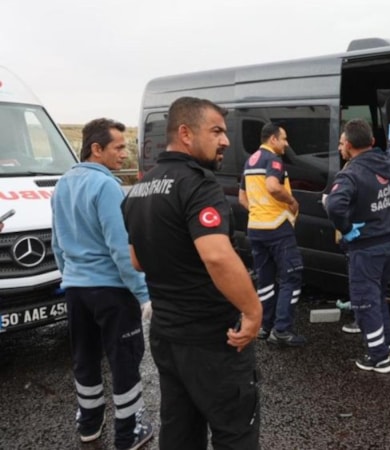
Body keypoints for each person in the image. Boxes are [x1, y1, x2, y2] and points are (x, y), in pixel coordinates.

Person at [122, 97, 262, 449]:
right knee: (235, 432)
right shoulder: (199, 185)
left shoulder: (139, 189)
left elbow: (137, 260)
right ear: (185, 133)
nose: (225, 141)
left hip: (167, 335)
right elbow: (216, 256)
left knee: (180, 430)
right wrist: (252, 310)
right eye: (216, 131)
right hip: (211, 338)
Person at [50, 118, 154, 449]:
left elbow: (57, 243)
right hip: (111, 291)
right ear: (96, 149)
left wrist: (70, 275)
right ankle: (129, 432)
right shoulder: (107, 186)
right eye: (119, 147)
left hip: (77, 290)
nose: (125, 153)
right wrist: (143, 294)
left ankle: (89, 423)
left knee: (85, 356)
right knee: (124, 358)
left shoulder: (63, 183)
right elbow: (121, 248)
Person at [324, 120, 390, 373]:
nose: (339, 148)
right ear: (371, 142)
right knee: (377, 296)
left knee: (365, 303)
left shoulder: (351, 174)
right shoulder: (387, 163)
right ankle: (388, 344)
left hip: (366, 248)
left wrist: (346, 229)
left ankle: (378, 357)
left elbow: (335, 205)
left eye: (340, 143)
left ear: (348, 144)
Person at [238, 123, 306, 346]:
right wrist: (292, 201)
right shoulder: (274, 159)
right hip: (278, 227)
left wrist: (258, 212)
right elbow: (273, 186)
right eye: (284, 139)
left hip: (256, 228)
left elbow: (242, 198)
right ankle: (282, 331)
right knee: (292, 277)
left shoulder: (251, 160)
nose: (286, 143)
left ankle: (264, 327)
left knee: (265, 280)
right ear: (273, 140)